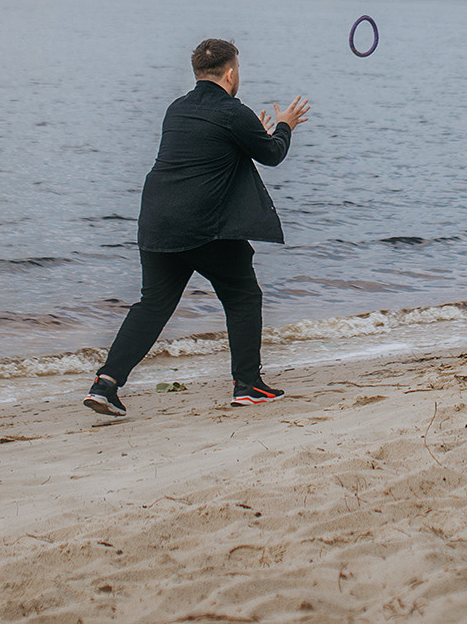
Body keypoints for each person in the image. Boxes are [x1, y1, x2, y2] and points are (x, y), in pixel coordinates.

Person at [84, 38, 311, 417]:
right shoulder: (232, 112)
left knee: (152, 306)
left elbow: (207, 151)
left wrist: (250, 131)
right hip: (204, 226)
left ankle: (105, 384)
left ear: (197, 72)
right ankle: (247, 385)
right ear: (231, 73)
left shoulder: (176, 110)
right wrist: (284, 126)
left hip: (157, 220)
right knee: (242, 296)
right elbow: (271, 154)